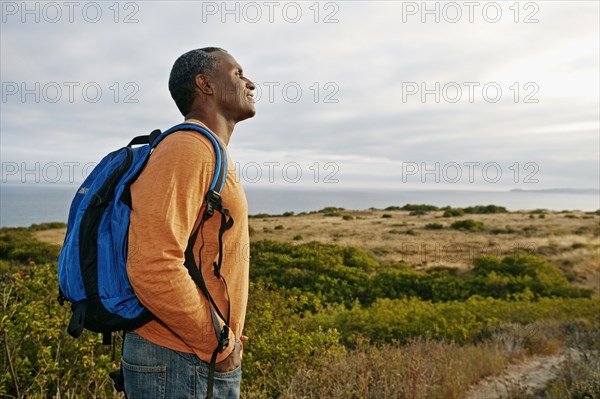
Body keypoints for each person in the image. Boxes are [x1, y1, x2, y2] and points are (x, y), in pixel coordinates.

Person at [123, 47, 256, 399]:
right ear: (205, 83)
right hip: (181, 358)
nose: (251, 82)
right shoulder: (188, 149)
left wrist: (222, 332)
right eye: (238, 73)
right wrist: (219, 342)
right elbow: (152, 265)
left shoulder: (207, 150)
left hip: (192, 355)